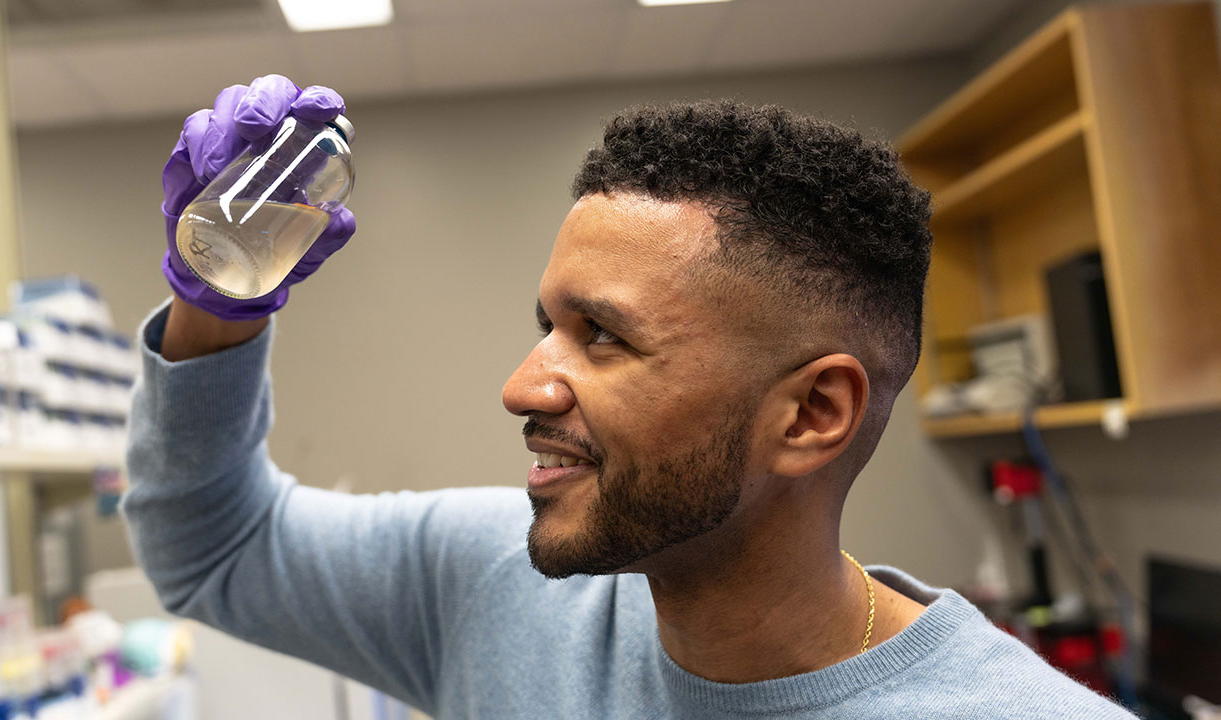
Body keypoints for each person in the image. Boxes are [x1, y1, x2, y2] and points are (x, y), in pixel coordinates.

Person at [124, 75, 1135, 719]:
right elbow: (218, 548)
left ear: (811, 415)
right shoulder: (492, 589)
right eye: (546, 325)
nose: (522, 384)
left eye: (601, 337)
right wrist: (218, 305)